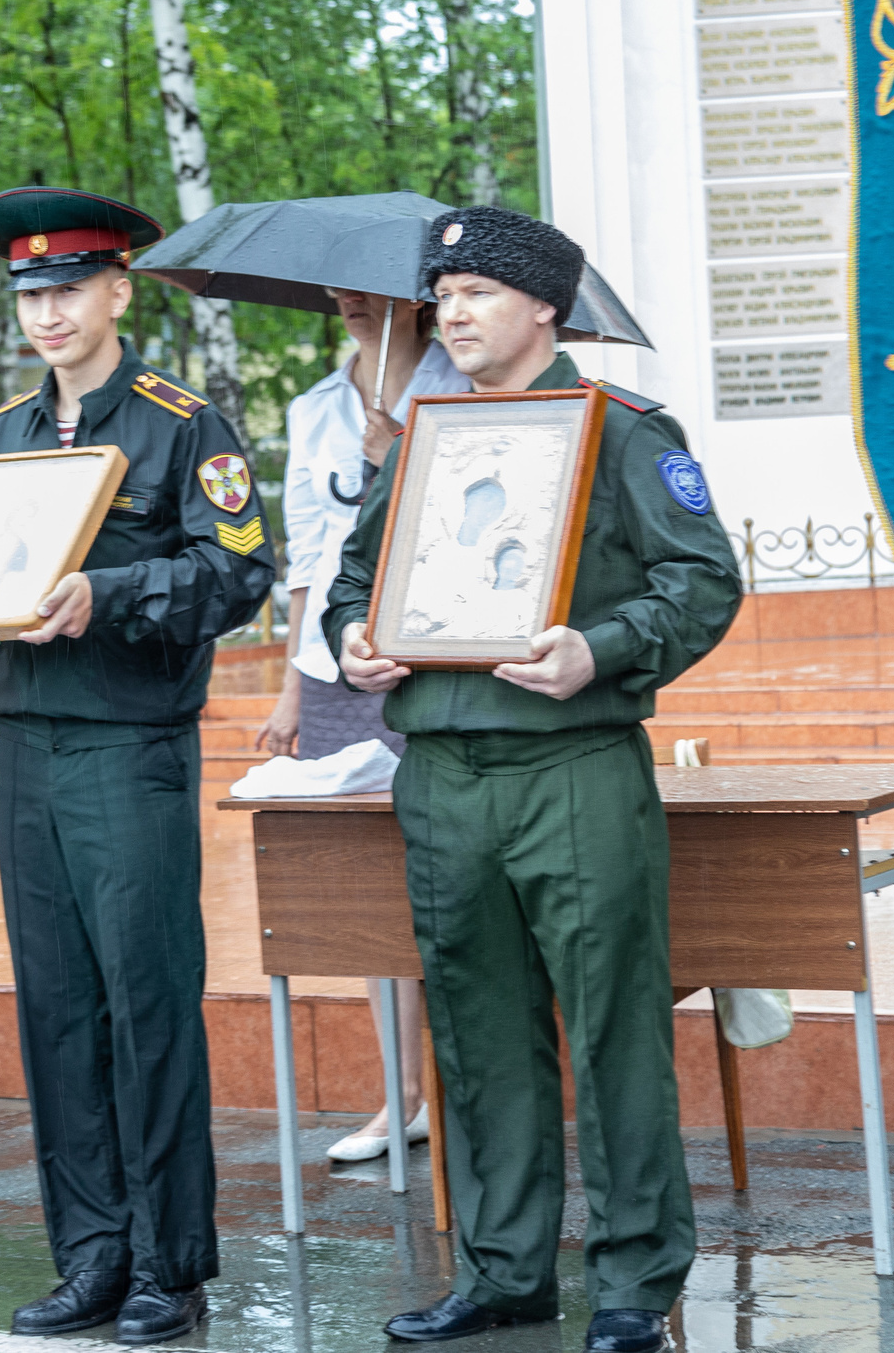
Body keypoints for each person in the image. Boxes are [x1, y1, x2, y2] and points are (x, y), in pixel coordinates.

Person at [324, 208, 741, 1353]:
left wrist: (596, 649)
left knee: (613, 1030)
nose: (451, 315)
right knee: (477, 1030)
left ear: (544, 308)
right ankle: (504, 1271)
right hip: (444, 772)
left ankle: (631, 1287)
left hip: (572, 768)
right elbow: (352, 580)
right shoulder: (425, 437)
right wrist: (356, 634)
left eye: (476, 294)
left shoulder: (618, 429)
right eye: (442, 295)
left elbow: (702, 581)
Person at [0, 187, 274, 1346]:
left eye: (67, 290)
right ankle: (90, 1254)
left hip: (127, 746)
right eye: (31, 295)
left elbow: (238, 575)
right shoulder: (8, 432)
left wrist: (106, 594)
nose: (47, 313)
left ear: (117, 291)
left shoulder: (180, 423)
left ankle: (167, 1262)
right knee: (58, 1010)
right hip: (30, 743)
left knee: (144, 1007)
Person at [257, 287, 462, 1164]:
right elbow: (309, 547)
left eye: (372, 295)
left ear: (415, 301)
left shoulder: (462, 386)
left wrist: (403, 452)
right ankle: (401, 1094)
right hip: (339, 664)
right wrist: (292, 685)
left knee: (450, 874)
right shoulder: (314, 408)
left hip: (440, 655)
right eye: (341, 296)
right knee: (373, 885)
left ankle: (468, 1088)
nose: (350, 304)